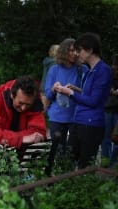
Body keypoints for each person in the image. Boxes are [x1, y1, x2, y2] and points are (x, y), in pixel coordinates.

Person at [55, 32, 111, 169]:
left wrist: (70, 93)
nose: (76, 54)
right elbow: (88, 94)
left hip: (91, 125)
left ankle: (82, 189)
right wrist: (74, 89)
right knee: (67, 161)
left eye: (79, 50)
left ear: (90, 50)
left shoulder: (103, 70)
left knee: (85, 167)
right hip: (78, 121)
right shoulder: (90, 70)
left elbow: (93, 101)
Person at [44, 38, 88, 174]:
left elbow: (88, 94)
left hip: (76, 117)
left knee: (73, 151)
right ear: (64, 51)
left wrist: (73, 90)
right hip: (57, 117)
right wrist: (53, 88)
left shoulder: (83, 69)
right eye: (71, 50)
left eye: (77, 50)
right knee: (58, 150)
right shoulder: (54, 69)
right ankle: (58, 177)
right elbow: (48, 94)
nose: (75, 53)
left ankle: (70, 178)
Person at [0, 75, 47, 148]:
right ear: (12, 95)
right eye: (20, 103)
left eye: (28, 105)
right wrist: (21, 139)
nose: (23, 108)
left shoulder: (35, 100)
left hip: (16, 152)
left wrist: (10, 138)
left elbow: (38, 132)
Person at [101, 54, 118, 168]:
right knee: (106, 136)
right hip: (108, 108)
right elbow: (105, 88)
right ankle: (105, 161)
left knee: (116, 138)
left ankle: (113, 163)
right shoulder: (109, 72)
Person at [40, 44, 59, 110]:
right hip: (49, 87)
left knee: (44, 108)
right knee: (44, 109)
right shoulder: (54, 63)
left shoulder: (47, 61)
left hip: (43, 86)